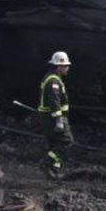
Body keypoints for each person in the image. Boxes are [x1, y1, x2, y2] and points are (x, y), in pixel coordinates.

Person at [39, 51, 73, 179]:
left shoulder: (52, 78)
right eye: (65, 65)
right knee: (66, 142)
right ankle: (46, 163)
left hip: (49, 117)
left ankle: (54, 171)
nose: (67, 68)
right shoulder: (53, 81)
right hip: (53, 118)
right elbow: (55, 102)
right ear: (58, 66)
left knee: (55, 144)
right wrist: (59, 120)